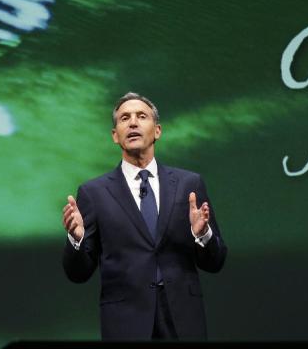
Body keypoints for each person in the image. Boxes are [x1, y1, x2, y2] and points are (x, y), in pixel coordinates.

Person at [61, 92, 227, 340]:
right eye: (124, 118)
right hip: (125, 323)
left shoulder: (188, 184)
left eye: (142, 116)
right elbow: (78, 273)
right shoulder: (93, 193)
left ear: (157, 131)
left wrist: (202, 234)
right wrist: (77, 240)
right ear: (115, 135)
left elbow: (215, 262)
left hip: (182, 321)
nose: (133, 123)